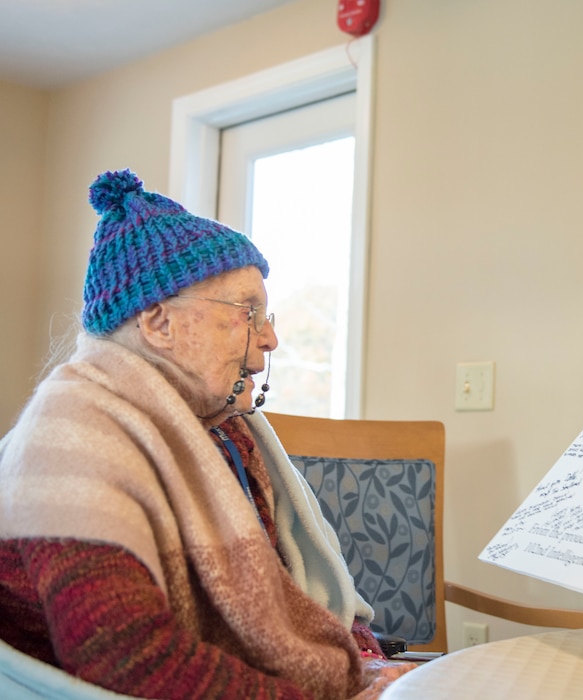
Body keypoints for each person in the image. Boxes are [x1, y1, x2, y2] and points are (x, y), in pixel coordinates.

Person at [0, 170, 414, 698]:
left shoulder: (226, 435)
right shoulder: (70, 441)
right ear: (158, 323)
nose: (271, 338)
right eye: (248, 313)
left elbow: (289, 591)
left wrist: (366, 662)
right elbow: (132, 663)